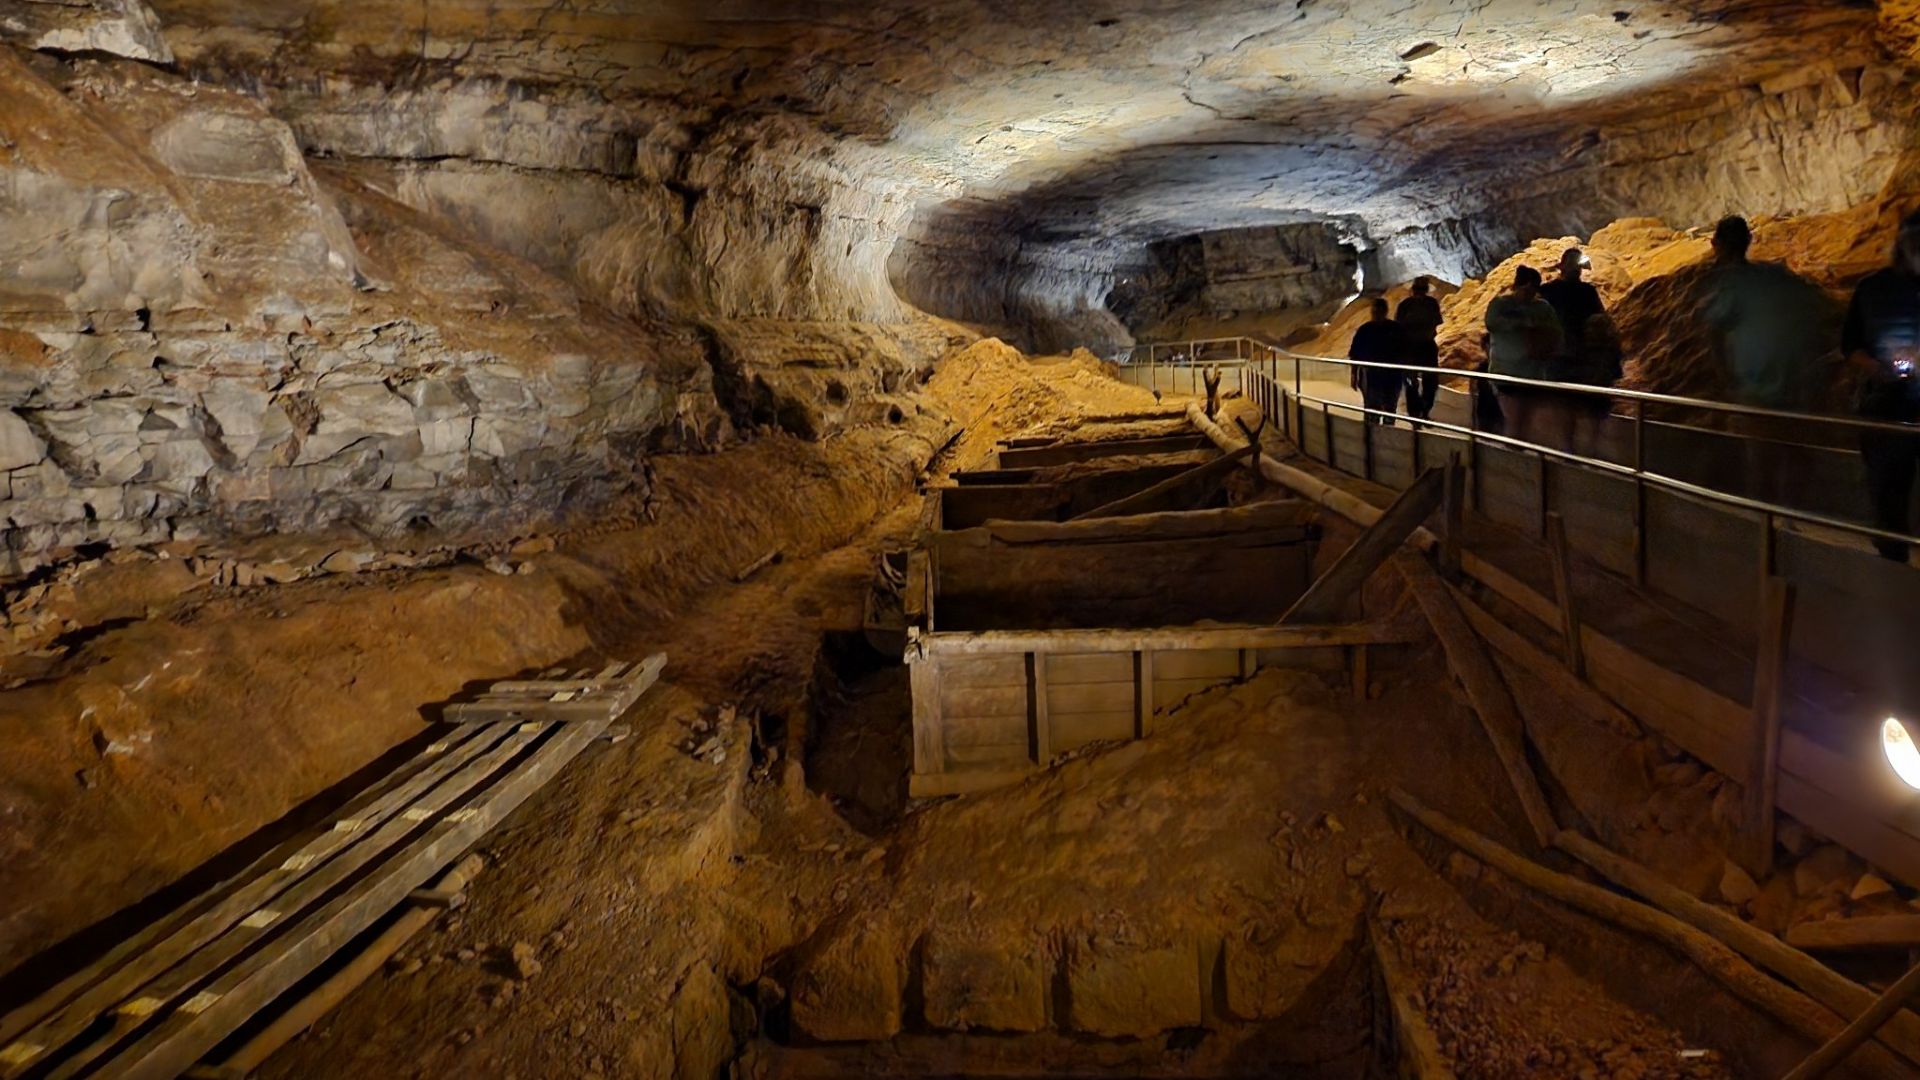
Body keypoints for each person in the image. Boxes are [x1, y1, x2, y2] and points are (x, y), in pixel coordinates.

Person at [1703, 214, 1834, 503]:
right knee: (1796, 458)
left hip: (1758, 388)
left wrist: (1728, 381)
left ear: (1717, 245)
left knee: (1763, 464)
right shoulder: (1777, 275)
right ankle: (1790, 522)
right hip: (1798, 383)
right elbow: (1815, 312)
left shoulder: (1732, 284)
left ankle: (1767, 532)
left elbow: (1713, 330)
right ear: (1749, 241)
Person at [1841, 209, 1920, 562]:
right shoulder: (1873, 288)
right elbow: (1850, 344)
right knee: (1888, 496)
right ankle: (1894, 573)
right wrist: (1875, 366)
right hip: (1886, 406)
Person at [1484, 265, 1563, 442]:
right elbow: (1491, 323)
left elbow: (1555, 332)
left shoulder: (1543, 308)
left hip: (1533, 373)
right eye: (1526, 289)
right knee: (1515, 421)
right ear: (1517, 286)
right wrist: (1525, 323)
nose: (1529, 294)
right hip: (1506, 373)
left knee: (1527, 423)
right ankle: (1514, 461)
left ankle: (1519, 459)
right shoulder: (1500, 305)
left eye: (1533, 290)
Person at [1350, 297, 1407, 424]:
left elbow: (1404, 351)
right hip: (1372, 375)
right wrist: (1354, 374)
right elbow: (1355, 354)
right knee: (1372, 409)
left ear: (1385, 311)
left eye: (1379, 312)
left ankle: (1385, 435)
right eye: (1375, 312)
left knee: (1389, 408)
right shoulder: (1365, 330)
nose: (1377, 315)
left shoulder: (1395, 329)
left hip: (1391, 375)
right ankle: (1372, 435)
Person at [1396, 276, 1444, 421]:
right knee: (1419, 381)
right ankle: (1419, 412)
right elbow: (1435, 324)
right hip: (1416, 346)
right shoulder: (1430, 304)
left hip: (1417, 347)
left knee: (1424, 381)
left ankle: (1419, 412)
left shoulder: (1408, 305)